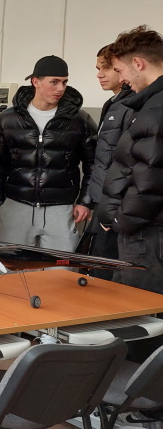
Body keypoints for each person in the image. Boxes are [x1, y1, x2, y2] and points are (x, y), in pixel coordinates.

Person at [0, 55, 96, 251]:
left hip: (61, 208)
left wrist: (85, 202)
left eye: (64, 82)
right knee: (12, 267)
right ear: (35, 82)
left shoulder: (79, 120)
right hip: (16, 206)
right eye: (54, 82)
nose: (61, 88)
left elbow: (94, 164)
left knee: (61, 268)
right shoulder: (8, 119)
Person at [98, 25, 163, 295]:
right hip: (145, 229)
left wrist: (120, 221)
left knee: (140, 311)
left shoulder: (156, 108)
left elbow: (150, 178)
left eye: (120, 70)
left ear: (138, 63)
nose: (122, 79)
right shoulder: (149, 104)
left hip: (147, 234)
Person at [83, 44, 133, 279]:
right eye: (97, 69)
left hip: (115, 207)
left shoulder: (132, 105)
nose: (99, 75)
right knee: (96, 270)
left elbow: (126, 161)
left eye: (106, 68)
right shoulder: (112, 103)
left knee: (108, 276)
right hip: (103, 201)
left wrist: (112, 208)